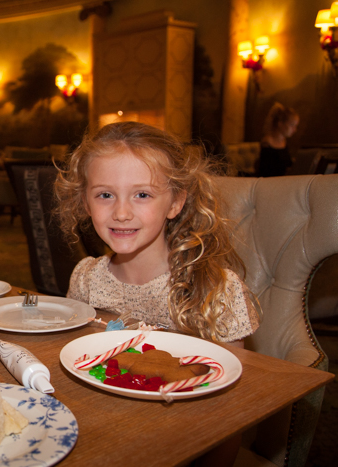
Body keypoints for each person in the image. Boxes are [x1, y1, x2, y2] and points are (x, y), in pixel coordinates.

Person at [54, 122, 261, 465]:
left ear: (175, 202)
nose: (121, 212)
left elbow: (229, 407)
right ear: (84, 201)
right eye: (105, 194)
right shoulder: (86, 279)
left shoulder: (216, 290)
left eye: (143, 194)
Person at [257, 102, 299, 177]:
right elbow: (265, 172)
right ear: (280, 124)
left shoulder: (284, 142)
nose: (294, 130)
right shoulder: (267, 143)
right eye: (292, 125)